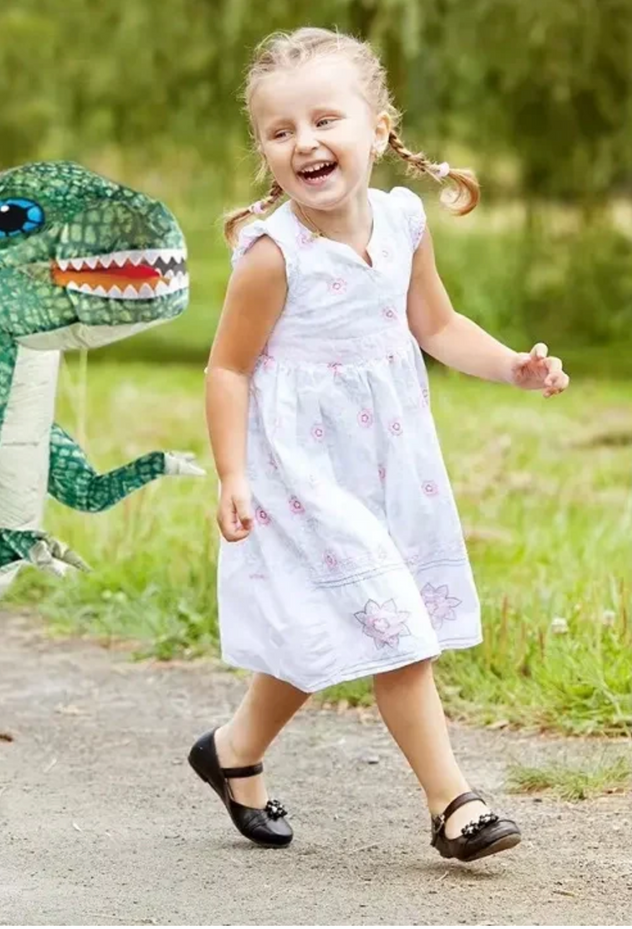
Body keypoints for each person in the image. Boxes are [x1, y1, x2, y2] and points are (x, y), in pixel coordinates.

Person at [189, 26, 569, 862]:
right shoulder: (272, 256)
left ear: (379, 128)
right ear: (264, 151)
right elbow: (227, 369)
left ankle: (232, 749)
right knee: (397, 628)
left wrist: (511, 366)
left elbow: (435, 324)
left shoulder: (403, 222)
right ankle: (452, 802)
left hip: (390, 467)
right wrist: (231, 474)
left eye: (325, 119)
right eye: (280, 132)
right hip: (304, 474)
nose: (305, 143)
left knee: (336, 619)